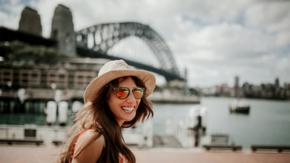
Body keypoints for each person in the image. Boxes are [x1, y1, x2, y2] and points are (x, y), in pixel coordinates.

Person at [58, 60, 156, 163]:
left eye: (137, 91)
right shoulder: (94, 138)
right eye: (122, 92)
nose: (132, 100)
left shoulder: (111, 135)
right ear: (105, 96)